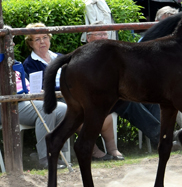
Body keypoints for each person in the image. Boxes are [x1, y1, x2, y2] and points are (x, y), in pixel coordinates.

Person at [22, 23, 124, 161]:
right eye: (37, 39)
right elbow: (36, 88)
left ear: (50, 38)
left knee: (105, 113)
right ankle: (93, 151)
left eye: (45, 37)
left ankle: (113, 150)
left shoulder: (60, 57)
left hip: (74, 95)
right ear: (30, 43)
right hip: (56, 99)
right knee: (80, 116)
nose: (42, 42)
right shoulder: (29, 63)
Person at [86, 29, 163, 146]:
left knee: (153, 98)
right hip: (102, 98)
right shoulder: (86, 56)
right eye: (98, 34)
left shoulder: (113, 54)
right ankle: (160, 136)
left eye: (104, 34)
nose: (103, 37)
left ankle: (157, 139)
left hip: (119, 93)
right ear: (88, 38)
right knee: (128, 102)